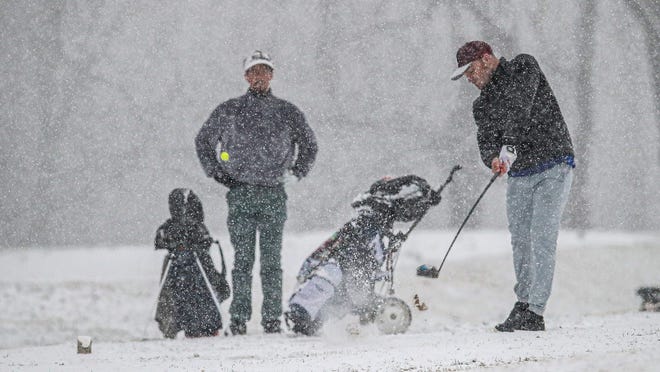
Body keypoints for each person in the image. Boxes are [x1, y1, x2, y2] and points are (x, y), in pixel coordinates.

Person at [450, 41, 575, 332]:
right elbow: (486, 140)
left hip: (553, 163)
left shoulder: (523, 67)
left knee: (541, 236)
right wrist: (493, 158)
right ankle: (523, 303)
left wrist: (508, 144)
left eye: (470, 71)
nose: (469, 78)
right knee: (520, 239)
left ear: (485, 59)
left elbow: (521, 109)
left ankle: (536, 311)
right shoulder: (481, 104)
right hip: (520, 174)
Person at [195, 50, 317, 335]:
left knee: (272, 261)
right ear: (246, 76)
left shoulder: (287, 111)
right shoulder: (229, 110)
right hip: (240, 194)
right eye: (254, 71)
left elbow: (310, 145)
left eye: (264, 70)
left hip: (274, 193)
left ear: (272, 75)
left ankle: (272, 318)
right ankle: (238, 319)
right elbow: (203, 142)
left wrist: (296, 174)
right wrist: (220, 175)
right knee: (243, 260)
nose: (259, 76)